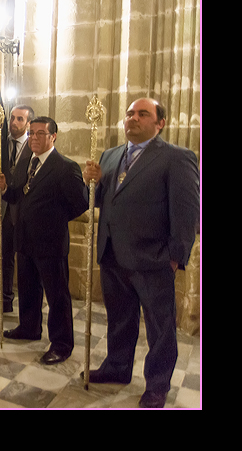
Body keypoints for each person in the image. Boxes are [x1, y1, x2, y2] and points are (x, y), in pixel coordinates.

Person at [81, 98, 199, 408]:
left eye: (142, 114)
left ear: (161, 123)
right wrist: (90, 182)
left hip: (153, 259)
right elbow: (97, 201)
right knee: (120, 319)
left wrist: (175, 258)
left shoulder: (177, 158)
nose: (133, 118)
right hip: (112, 254)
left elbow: (187, 212)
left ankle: (157, 385)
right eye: (130, 113)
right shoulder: (109, 156)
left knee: (160, 328)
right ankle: (117, 368)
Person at [0, 116, 88, 364]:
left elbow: (80, 203)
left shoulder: (66, 167)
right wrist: (3, 187)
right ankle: (29, 327)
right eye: (32, 133)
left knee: (57, 295)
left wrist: (54, 219)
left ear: (53, 136)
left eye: (40, 134)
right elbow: (17, 196)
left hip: (50, 242)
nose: (34, 138)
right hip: (25, 238)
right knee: (27, 288)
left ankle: (62, 343)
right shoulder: (27, 162)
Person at [0, 105, 34, 316]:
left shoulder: (34, 146)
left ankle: (28, 307)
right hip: (4, 208)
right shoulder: (0, 144)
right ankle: (3, 299)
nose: (14, 123)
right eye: (12, 118)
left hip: (24, 212)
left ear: (28, 123)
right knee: (3, 257)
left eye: (20, 119)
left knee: (25, 261)